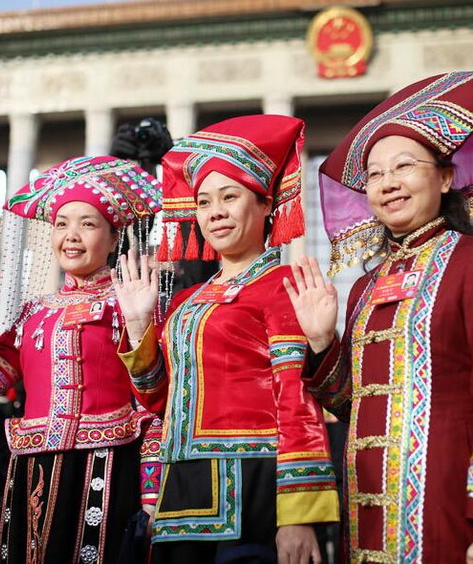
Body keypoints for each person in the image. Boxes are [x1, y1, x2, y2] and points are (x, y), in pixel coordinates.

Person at [285, 72, 473, 563]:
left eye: (404, 166)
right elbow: (352, 403)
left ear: (445, 178)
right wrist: (322, 341)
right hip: (365, 514)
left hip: (448, 506)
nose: (388, 183)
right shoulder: (363, 285)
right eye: (376, 174)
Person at [114, 114, 339, 563]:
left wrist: (297, 515)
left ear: (265, 205)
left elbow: (298, 402)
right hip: (181, 487)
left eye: (229, 197)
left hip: (253, 485)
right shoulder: (186, 300)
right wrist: (139, 328)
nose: (214, 212)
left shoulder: (284, 285)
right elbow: (160, 401)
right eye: (203, 201)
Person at [0, 155, 164, 563]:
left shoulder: (132, 305)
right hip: (34, 471)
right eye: (62, 224)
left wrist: (151, 494)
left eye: (88, 224)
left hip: (109, 468)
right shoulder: (34, 313)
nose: (71, 235)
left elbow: (155, 405)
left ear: (114, 238)